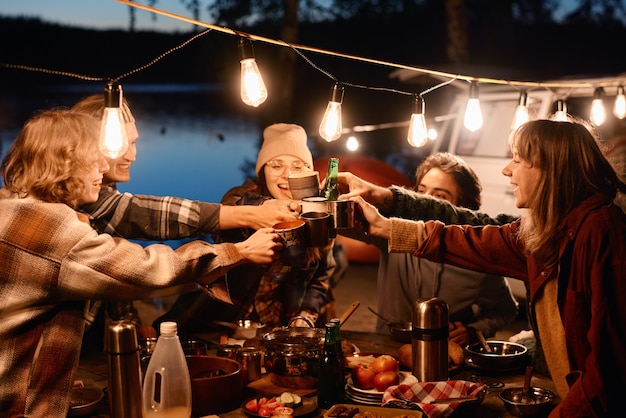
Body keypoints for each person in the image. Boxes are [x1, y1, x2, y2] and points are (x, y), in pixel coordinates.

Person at [0, 109, 279, 417]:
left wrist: (52, 377)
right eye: (95, 158)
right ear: (65, 163)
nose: (105, 167)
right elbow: (144, 270)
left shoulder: (11, 207)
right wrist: (237, 251)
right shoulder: (54, 230)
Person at [352, 119, 626, 417]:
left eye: (518, 160)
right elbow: (468, 238)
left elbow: (609, 366)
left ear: (551, 170)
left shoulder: (601, 232)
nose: (507, 170)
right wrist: (384, 226)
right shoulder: (547, 230)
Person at [71, 95, 297, 348]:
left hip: (79, 344)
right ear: (85, 147)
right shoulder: (78, 205)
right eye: (121, 144)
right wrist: (248, 228)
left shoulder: (98, 194)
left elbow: (113, 268)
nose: (132, 155)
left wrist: (130, 322)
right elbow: (148, 216)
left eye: (134, 143)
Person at [155, 123, 334, 332]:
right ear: (262, 171)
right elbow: (233, 206)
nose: (287, 175)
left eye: (297, 166)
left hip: (279, 324)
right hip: (221, 319)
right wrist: (267, 209)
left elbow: (321, 277)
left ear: (309, 173)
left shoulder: (317, 213)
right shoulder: (243, 197)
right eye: (276, 165)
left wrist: (305, 317)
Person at [344, 152, 518, 345]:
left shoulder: (476, 260)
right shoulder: (392, 234)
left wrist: (473, 331)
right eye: (420, 192)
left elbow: (505, 310)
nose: (423, 203)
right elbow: (339, 223)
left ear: (461, 211)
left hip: (443, 357)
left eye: (439, 197)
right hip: (389, 349)